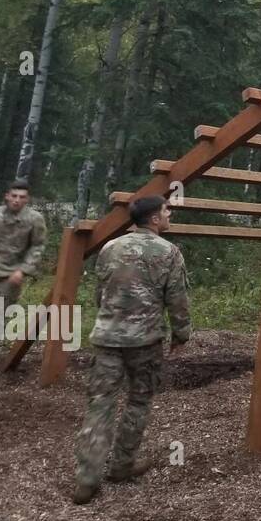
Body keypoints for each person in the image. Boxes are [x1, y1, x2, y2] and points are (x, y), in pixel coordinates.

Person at [72, 194, 190, 505]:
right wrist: (181, 334)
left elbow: (100, 293)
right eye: (167, 211)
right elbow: (177, 300)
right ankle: (122, 466)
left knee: (100, 405)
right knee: (139, 401)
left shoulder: (110, 247)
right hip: (145, 342)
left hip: (107, 339)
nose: (170, 215)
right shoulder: (168, 252)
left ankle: (86, 479)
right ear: (154, 219)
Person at [0, 179, 46, 363]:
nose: (17, 200)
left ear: (27, 199)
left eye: (21, 197)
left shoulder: (34, 219)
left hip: (11, 273)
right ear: (7, 196)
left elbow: (37, 246)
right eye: (14, 196)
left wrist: (23, 270)